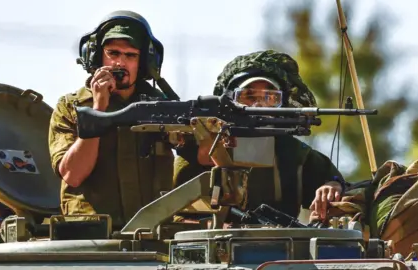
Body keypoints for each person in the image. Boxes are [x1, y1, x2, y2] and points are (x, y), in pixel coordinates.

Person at [173, 49, 346, 224]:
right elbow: (170, 214)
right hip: (211, 246)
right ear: (229, 101)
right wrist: (216, 227)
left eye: (270, 97)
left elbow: (338, 184)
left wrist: (332, 187)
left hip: (282, 246)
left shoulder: (292, 153)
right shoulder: (202, 149)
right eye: (248, 96)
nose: (259, 104)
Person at [48, 10, 174, 230]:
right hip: (91, 238)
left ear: (143, 62)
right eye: (113, 53)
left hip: (150, 234)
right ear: (97, 57)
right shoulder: (70, 108)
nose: (120, 63)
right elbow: (72, 175)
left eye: (130, 55)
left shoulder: (161, 107)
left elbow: (200, 157)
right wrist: (98, 110)